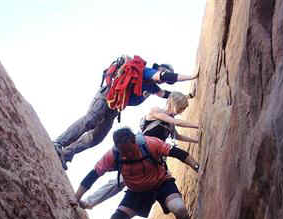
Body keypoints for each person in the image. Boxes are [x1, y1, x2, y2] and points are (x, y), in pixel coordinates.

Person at [75, 127, 198, 219]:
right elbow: (93, 175)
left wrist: (196, 167)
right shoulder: (114, 155)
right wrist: (76, 197)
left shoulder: (150, 144)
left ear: (134, 141)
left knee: (179, 209)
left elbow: (178, 153)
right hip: (137, 192)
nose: (127, 155)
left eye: (129, 150)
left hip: (161, 184)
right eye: (123, 152)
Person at [53, 58, 199, 169]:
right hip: (107, 97)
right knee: (91, 120)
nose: (163, 81)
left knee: (97, 137)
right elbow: (167, 77)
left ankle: (66, 154)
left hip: (114, 109)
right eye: (163, 74)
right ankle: (59, 143)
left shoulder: (152, 87)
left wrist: (187, 96)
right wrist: (192, 77)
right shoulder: (146, 71)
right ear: (160, 69)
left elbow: (170, 96)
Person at [81, 91, 199, 210]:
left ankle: (169, 203)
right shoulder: (156, 111)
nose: (181, 111)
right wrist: (197, 126)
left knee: (160, 179)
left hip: (157, 154)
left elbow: (177, 136)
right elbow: (176, 121)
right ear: (174, 103)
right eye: (181, 108)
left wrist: (196, 141)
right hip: (140, 150)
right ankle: (89, 202)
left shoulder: (170, 122)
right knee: (121, 180)